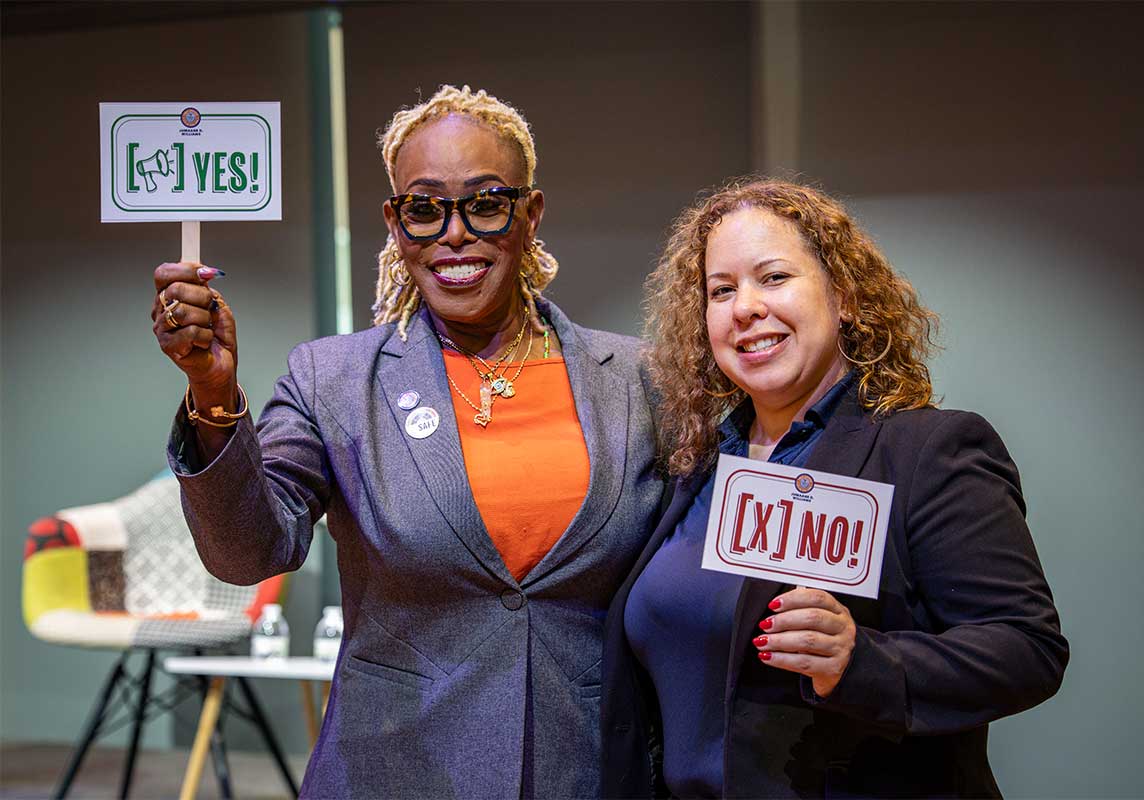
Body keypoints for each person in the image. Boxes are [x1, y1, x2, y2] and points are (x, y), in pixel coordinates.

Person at [151, 85, 662, 798]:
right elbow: (248, 552)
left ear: (530, 213)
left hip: (586, 770)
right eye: (425, 209)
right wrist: (211, 393)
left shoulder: (639, 381)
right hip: (397, 770)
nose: (455, 234)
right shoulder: (334, 380)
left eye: (486, 203)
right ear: (396, 223)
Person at [600, 178, 1068, 798]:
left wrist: (862, 662)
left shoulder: (927, 452)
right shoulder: (697, 469)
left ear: (843, 296)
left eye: (773, 278)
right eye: (721, 290)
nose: (744, 308)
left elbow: (1027, 650)